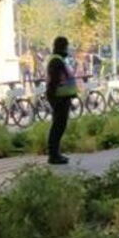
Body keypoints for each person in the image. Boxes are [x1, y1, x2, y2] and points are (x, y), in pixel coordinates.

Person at [45, 37, 78, 165]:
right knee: (58, 127)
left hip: (62, 98)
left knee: (59, 126)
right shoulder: (56, 61)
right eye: (66, 46)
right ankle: (53, 155)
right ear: (62, 47)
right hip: (59, 99)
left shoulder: (59, 60)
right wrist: (54, 100)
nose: (67, 49)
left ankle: (56, 153)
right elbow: (54, 82)